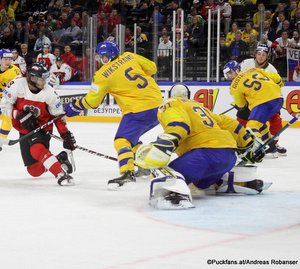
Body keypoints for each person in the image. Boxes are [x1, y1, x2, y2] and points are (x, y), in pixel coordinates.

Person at [135, 84, 268, 209]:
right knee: (199, 183)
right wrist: (249, 144)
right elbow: (229, 124)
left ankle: (175, 194)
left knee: (161, 172)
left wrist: (163, 146)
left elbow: (179, 124)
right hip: (228, 156)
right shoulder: (200, 107)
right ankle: (232, 182)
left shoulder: (170, 103)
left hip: (203, 155)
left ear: (170, 95)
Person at [64, 41, 163, 189]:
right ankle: (145, 165)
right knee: (132, 139)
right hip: (158, 105)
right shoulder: (129, 56)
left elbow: (92, 102)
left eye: (101, 57)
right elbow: (152, 68)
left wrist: (75, 106)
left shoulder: (103, 75)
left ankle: (127, 172)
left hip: (138, 110)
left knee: (121, 141)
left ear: (108, 56)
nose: (99, 60)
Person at [0, 62, 76, 186]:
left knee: (37, 150)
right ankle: (59, 159)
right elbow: (4, 105)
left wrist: (65, 134)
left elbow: (58, 116)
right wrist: (18, 114)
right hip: (23, 129)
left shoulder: (50, 93)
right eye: (42, 79)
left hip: (42, 128)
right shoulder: (17, 85)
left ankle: (61, 174)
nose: (44, 82)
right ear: (32, 78)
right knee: (34, 171)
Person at [223, 60, 284, 152]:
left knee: (252, 126)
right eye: (228, 74)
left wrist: (239, 106)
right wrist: (278, 85)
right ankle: (270, 145)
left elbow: (241, 104)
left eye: (230, 73)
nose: (230, 76)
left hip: (263, 102)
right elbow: (276, 78)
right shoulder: (254, 69)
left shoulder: (234, 86)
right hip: (278, 98)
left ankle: (255, 150)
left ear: (237, 70)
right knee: (259, 123)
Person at [238, 44, 287, 156]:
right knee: (241, 118)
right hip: (249, 100)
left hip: (266, 101)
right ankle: (241, 142)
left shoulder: (271, 69)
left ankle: (272, 144)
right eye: (259, 54)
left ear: (267, 56)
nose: (260, 57)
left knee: (276, 119)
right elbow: (237, 80)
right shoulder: (246, 63)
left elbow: (277, 86)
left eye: (263, 55)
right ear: (255, 54)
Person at [0, 49, 22, 141]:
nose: (8, 61)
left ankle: (1, 139)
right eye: (5, 59)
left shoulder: (15, 71)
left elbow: (18, 88)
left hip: (8, 99)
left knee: (7, 117)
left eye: (9, 59)